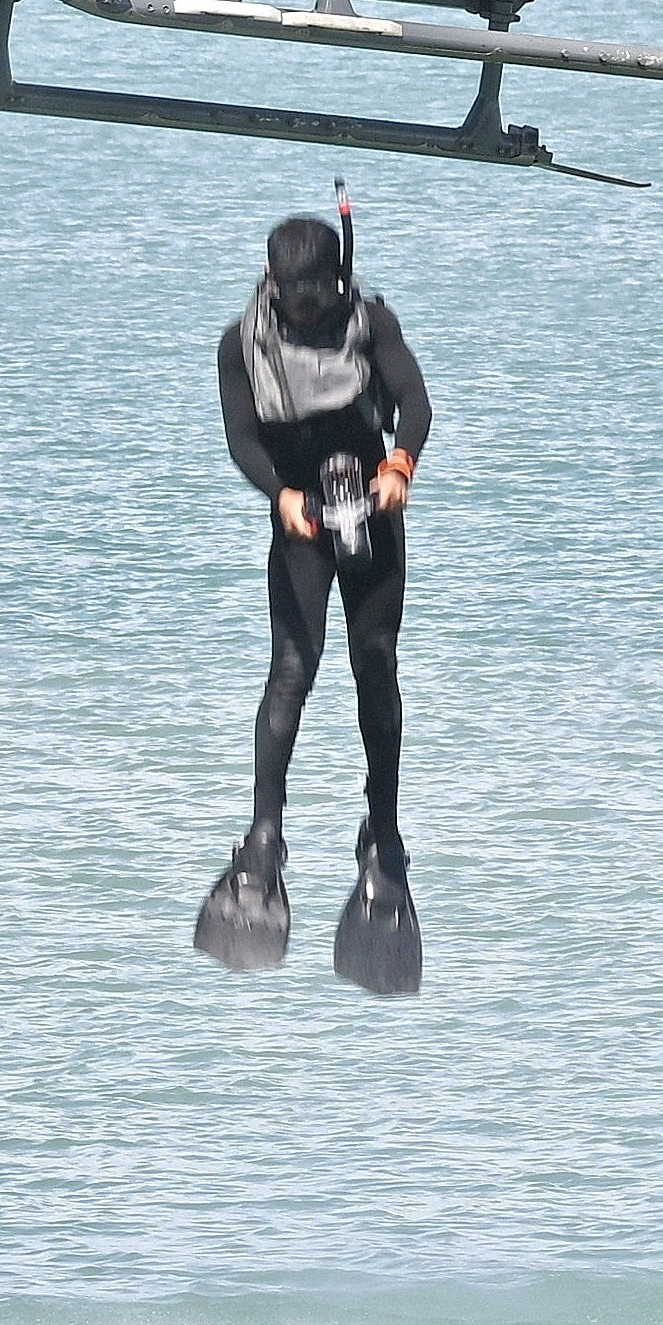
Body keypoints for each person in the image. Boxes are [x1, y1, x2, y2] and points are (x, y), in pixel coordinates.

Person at [199, 209, 431, 986]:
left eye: (316, 299)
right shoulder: (241, 343)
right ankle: (264, 836)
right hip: (300, 514)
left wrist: (398, 464)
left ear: (337, 281)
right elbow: (241, 435)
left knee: (375, 665)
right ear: (272, 282)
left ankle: (383, 835)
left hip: (370, 509)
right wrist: (280, 495)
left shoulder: (370, 324)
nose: (304, 312)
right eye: (292, 298)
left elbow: (415, 400)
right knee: (291, 669)